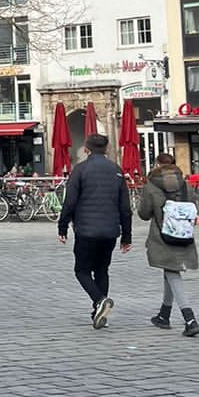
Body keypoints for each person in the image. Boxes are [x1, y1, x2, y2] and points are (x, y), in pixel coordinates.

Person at [57, 132, 132, 329]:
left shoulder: (80, 170)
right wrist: (127, 236)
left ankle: (99, 300)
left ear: (86, 149)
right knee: (102, 270)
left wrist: (62, 227)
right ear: (106, 149)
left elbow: (70, 202)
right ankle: (97, 313)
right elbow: (125, 207)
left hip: (86, 230)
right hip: (110, 230)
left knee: (81, 270)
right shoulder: (116, 170)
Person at [138, 151, 199, 336]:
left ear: (158, 165)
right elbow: (195, 207)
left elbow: (144, 213)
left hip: (162, 236)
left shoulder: (151, 186)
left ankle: (190, 319)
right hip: (184, 234)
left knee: (172, 272)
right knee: (170, 270)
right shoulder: (185, 184)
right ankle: (164, 315)